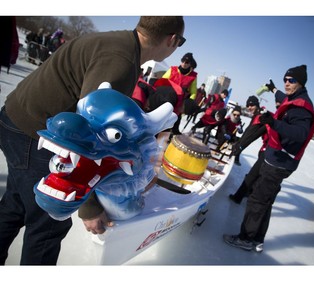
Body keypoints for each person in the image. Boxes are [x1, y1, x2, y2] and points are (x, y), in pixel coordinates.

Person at [0, 16, 185, 265]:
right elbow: (92, 136)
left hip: (16, 120)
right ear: (172, 40)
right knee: (47, 226)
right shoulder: (121, 62)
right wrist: (90, 206)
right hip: (33, 133)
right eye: (180, 42)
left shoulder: (117, 43)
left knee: (16, 204)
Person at [223, 65, 314, 252]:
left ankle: (246, 238)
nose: (287, 83)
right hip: (276, 159)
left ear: (301, 83)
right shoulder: (293, 98)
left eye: (291, 80)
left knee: (257, 199)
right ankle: (257, 239)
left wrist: (274, 122)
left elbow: (300, 133)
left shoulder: (302, 107)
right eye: (285, 79)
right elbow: (282, 98)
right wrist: (273, 89)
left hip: (278, 162)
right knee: (265, 201)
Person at [228, 95, 269, 203]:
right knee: (257, 174)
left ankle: (239, 197)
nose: (249, 107)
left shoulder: (260, 116)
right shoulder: (259, 114)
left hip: (270, 149)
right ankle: (249, 193)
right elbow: (248, 132)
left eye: (251, 105)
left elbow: (251, 136)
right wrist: (239, 144)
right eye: (248, 105)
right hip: (266, 148)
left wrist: (239, 147)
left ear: (257, 104)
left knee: (253, 175)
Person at [156, 52, 198, 135]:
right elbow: (162, 81)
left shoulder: (193, 76)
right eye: (182, 61)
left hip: (179, 103)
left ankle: (169, 136)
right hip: (166, 99)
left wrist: (188, 103)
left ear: (190, 64)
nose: (184, 64)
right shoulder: (172, 70)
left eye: (187, 62)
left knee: (173, 122)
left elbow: (193, 92)